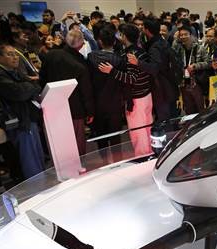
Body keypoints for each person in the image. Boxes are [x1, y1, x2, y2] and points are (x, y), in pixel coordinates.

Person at [0, 44, 44, 178]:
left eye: (15, 54)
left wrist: (28, 86)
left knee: (37, 155)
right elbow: (19, 93)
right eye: (10, 54)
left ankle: (43, 183)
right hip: (19, 122)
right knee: (30, 160)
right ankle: (37, 187)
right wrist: (29, 86)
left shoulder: (13, 71)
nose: (15, 57)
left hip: (28, 118)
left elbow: (36, 86)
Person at [98, 23, 153, 157]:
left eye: (120, 34)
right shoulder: (141, 51)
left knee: (138, 131)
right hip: (146, 95)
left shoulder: (130, 54)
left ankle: (143, 157)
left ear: (124, 36)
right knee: (147, 128)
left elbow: (131, 78)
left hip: (137, 98)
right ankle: (149, 153)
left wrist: (112, 71)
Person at [40, 29, 95, 156]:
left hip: (52, 105)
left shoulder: (51, 55)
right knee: (77, 143)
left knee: (58, 142)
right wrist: (90, 111)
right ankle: (78, 165)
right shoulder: (80, 64)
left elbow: (42, 78)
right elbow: (86, 91)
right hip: (75, 109)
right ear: (81, 45)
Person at [87, 26, 125, 163]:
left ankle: (104, 162)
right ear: (114, 42)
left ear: (100, 41)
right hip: (115, 102)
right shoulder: (119, 59)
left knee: (101, 135)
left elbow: (88, 81)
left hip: (97, 102)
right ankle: (118, 162)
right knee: (115, 135)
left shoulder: (91, 57)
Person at [130, 18, 178, 122]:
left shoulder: (155, 46)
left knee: (164, 117)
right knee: (171, 114)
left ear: (147, 30)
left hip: (162, 87)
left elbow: (155, 67)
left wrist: (138, 62)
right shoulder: (162, 41)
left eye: (143, 27)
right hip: (169, 83)